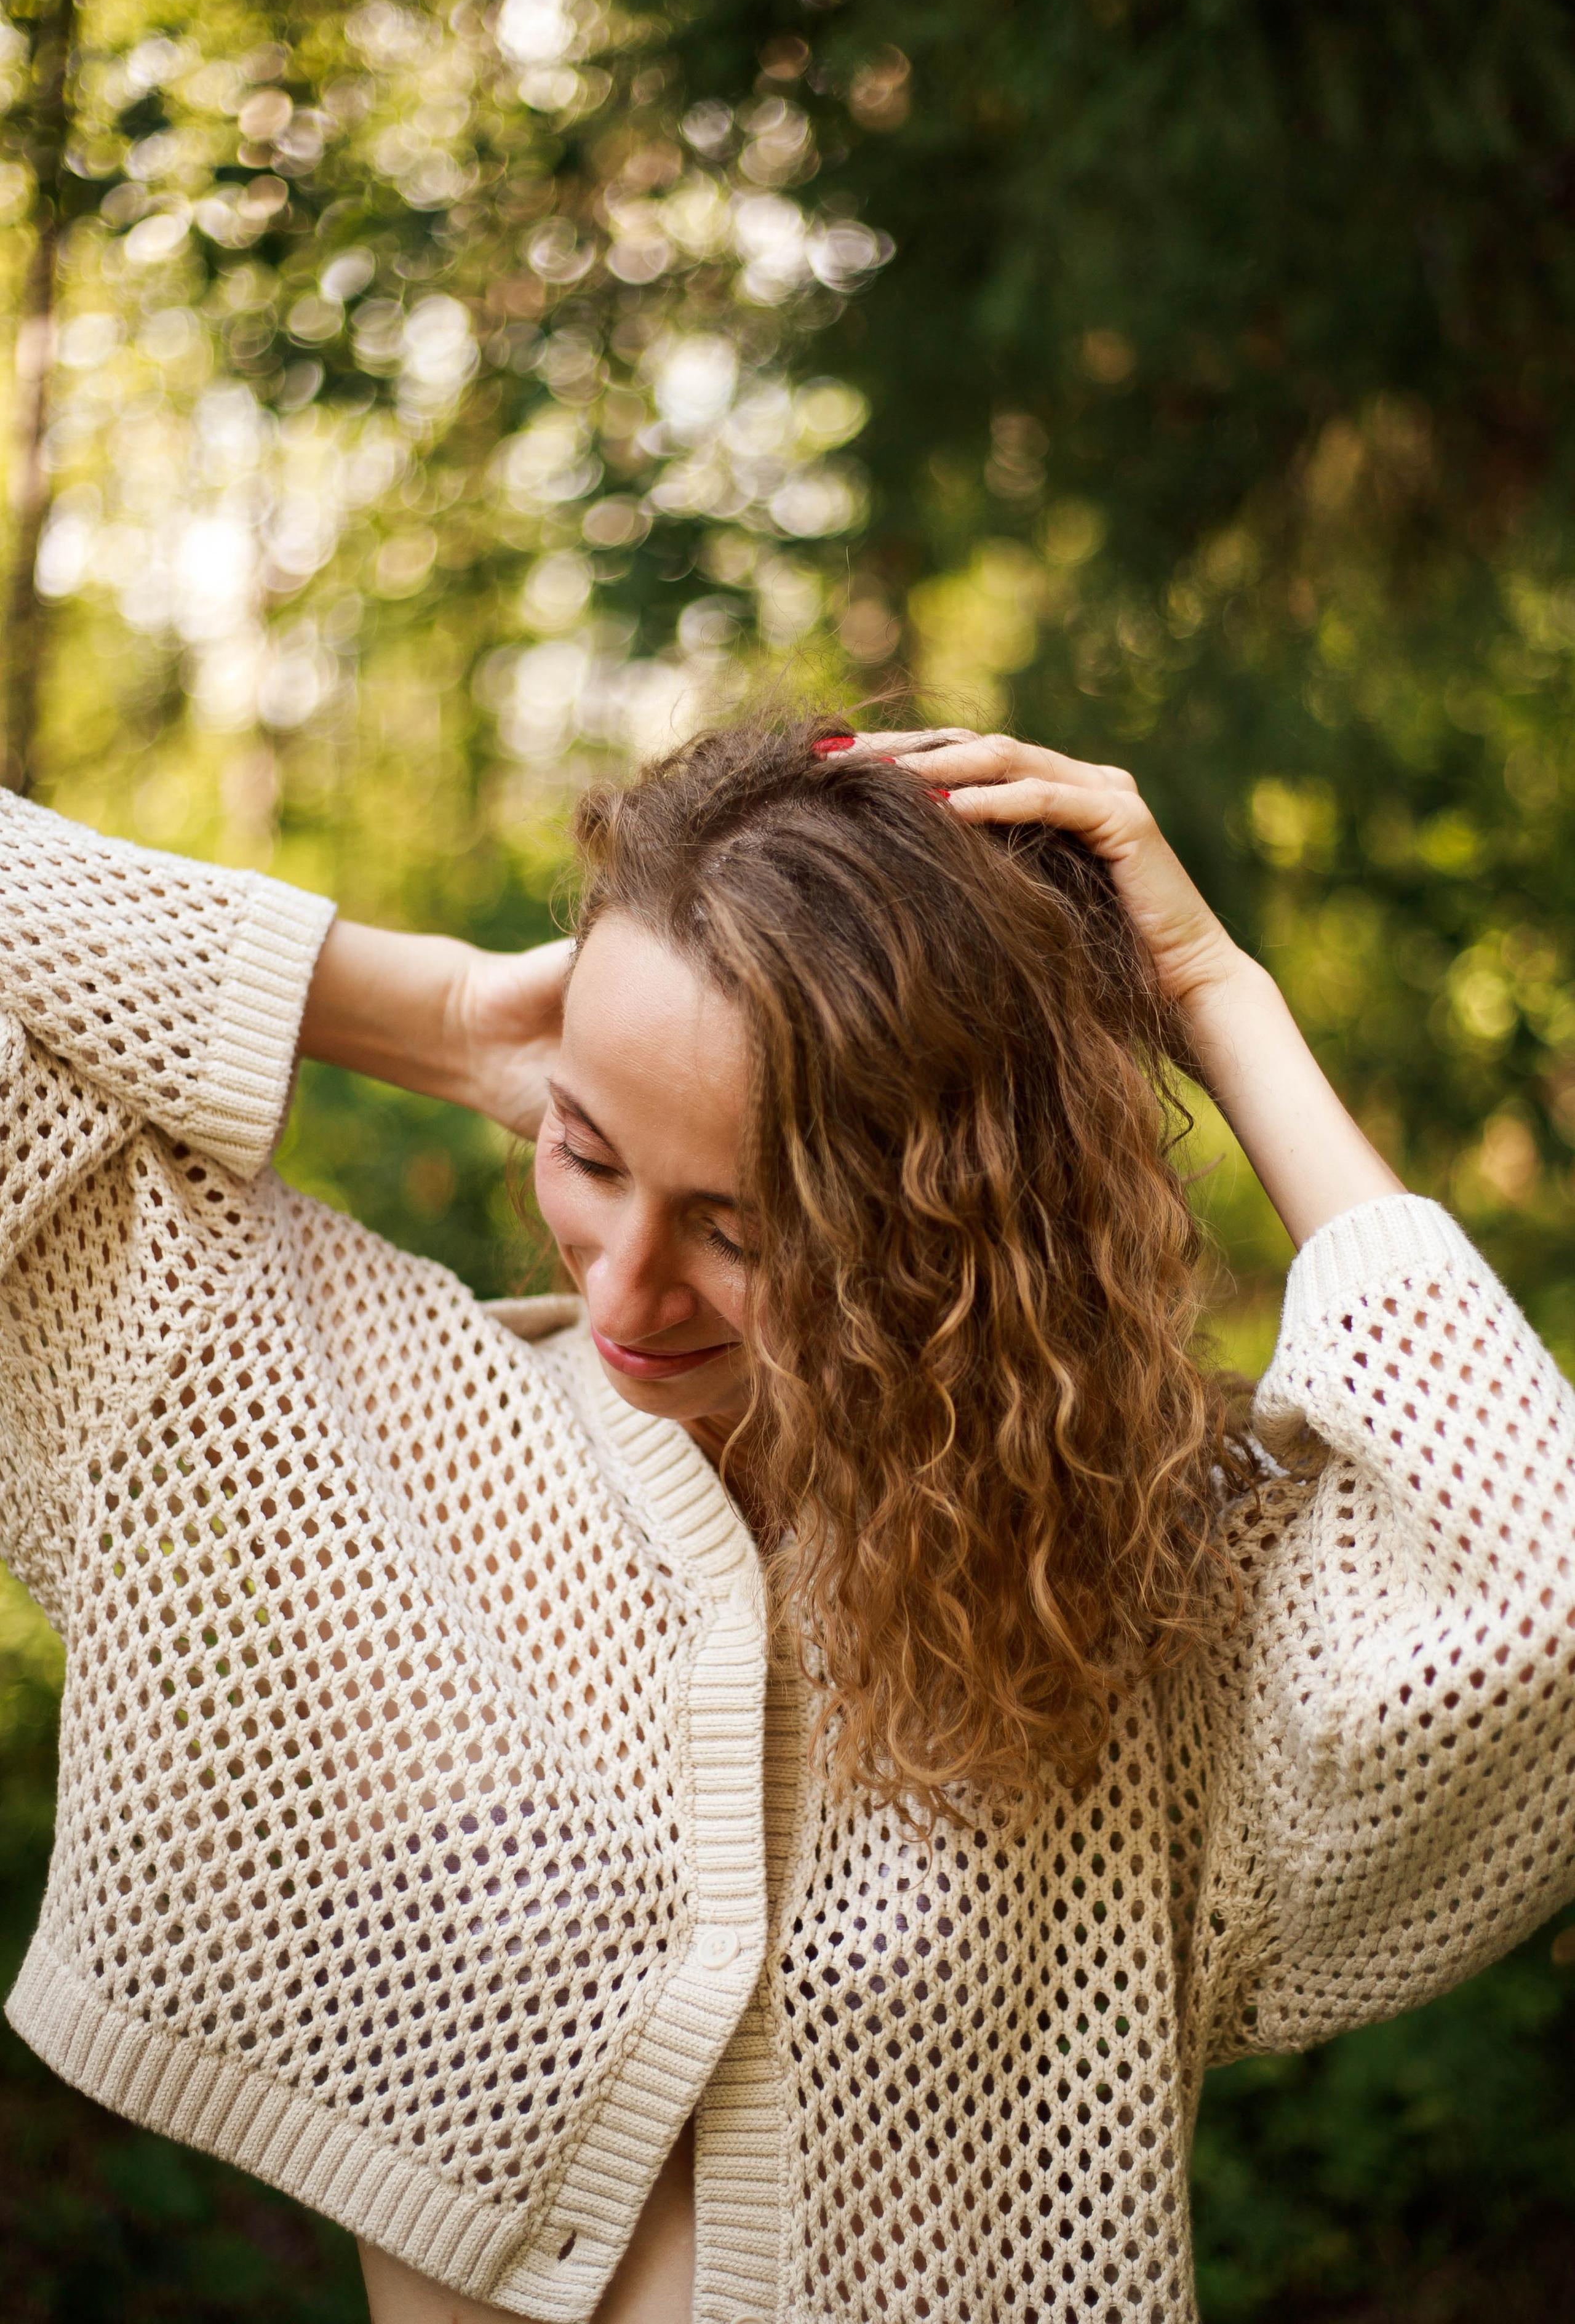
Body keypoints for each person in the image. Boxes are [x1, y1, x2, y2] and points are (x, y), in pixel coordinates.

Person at [2, 717, 1573, 2324]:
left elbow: (1542, 1597)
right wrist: (448, 1010)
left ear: (942, 1228)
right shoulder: (368, 1435)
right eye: (588, 1152)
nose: (627, 1286)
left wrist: (1219, 1000)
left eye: (741, 1230)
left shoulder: (1130, 1581)